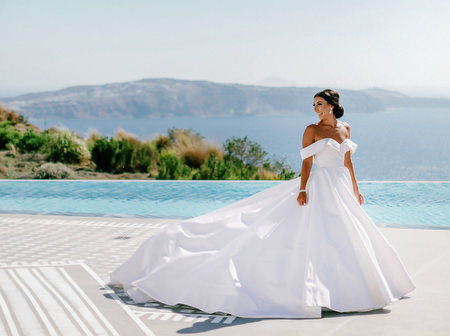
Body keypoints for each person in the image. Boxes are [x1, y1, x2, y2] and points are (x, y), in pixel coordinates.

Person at [109, 89, 415, 318]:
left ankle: (355, 290)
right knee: (313, 236)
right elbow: (307, 164)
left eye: (320, 104)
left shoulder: (345, 129)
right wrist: (303, 189)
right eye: (314, 105)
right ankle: (316, 292)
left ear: (333, 106)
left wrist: (357, 190)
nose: (316, 109)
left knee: (349, 237)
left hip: (342, 187)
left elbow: (348, 163)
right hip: (319, 185)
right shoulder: (311, 130)